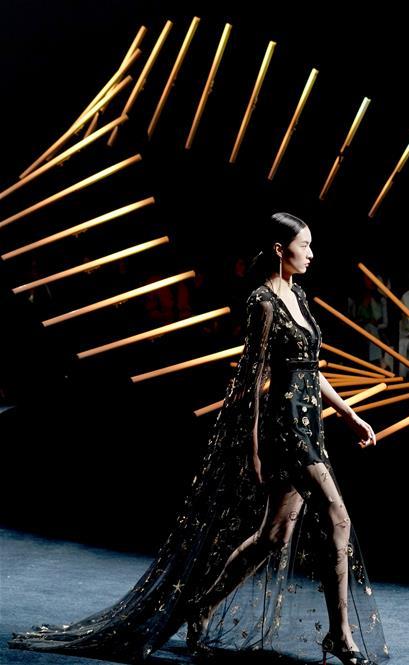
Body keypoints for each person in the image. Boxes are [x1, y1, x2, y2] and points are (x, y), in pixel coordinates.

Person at [9, 213, 389, 665]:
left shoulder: (299, 296)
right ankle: (340, 634)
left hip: (310, 426)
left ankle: (202, 604)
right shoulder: (263, 302)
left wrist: (350, 415)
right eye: (304, 245)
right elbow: (251, 382)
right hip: (285, 430)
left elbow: (310, 368)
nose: (311, 253)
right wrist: (252, 449)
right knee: (338, 518)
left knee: (273, 535)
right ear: (279, 249)